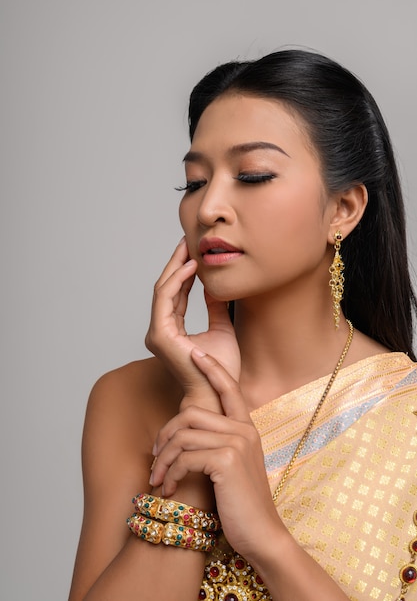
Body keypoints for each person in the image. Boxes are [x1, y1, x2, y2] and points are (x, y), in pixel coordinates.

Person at [68, 49, 417, 601]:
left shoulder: (409, 417)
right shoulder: (127, 398)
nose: (210, 208)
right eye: (195, 182)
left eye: (252, 175)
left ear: (344, 209)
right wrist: (198, 422)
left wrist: (267, 539)